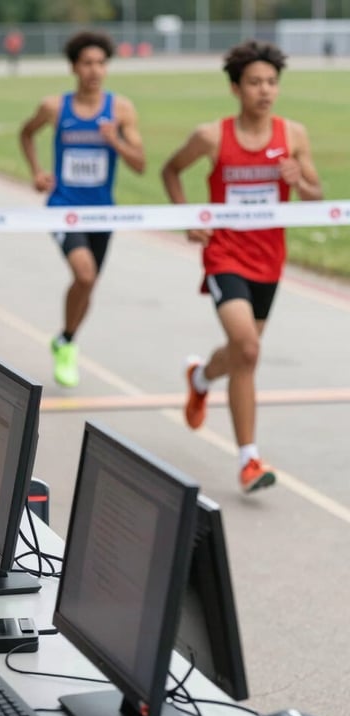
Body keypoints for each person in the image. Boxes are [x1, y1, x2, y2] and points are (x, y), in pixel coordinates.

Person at [161, 40, 322, 493]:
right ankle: (249, 460)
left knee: (241, 353)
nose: (265, 90)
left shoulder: (293, 135)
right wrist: (189, 217)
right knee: (248, 349)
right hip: (224, 255)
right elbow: (171, 170)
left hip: (268, 260)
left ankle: (200, 377)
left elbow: (316, 195)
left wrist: (301, 181)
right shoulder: (212, 136)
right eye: (255, 82)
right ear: (236, 88)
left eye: (271, 82)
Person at [19, 30, 145, 388]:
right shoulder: (54, 107)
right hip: (63, 207)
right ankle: (69, 346)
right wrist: (37, 172)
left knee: (88, 285)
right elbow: (26, 133)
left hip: (102, 212)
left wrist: (115, 141)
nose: (94, 70)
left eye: (101, 63)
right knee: (85, 275)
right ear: (74, 67)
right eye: (87, 63)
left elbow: (140, 164)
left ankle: (65, 339)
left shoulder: (121, 110)